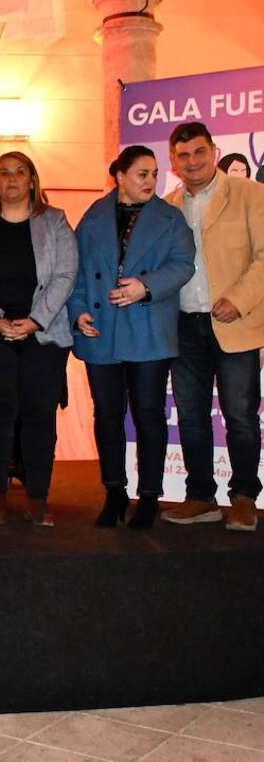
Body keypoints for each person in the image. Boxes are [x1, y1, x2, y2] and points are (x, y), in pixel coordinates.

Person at [70, 146, 195, 530]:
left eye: (154, 174)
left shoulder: (170, 219)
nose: (150, 181)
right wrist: (79, 314)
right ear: (119, 175)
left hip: (148, 330)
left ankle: (150, 497)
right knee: (107, 415)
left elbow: (183, 265)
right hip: (102, 330)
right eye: (141, 173)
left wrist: (146, 286)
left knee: (148, 414)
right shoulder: (92, 216)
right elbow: (75, 272)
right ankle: (114, 492)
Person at [0, 151, 76, 528]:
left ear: (32, 180)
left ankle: (39, 497)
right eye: (3, 173)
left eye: (19, 172)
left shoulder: (55, 221)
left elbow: (66, 275)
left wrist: (36, 320)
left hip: (43, 336)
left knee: (39, 415)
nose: (11, 179)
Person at [162, 122, 264, 532]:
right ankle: (200, 496)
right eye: (183, 155)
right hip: (185, 327)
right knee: (190, 415)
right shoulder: (167, 207)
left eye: (199, 152)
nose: (192, 162)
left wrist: (237, 300)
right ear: (174, 161)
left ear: (215, 152)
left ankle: (243, 497)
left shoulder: (250, 195)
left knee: (240, 415)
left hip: (235, 323)